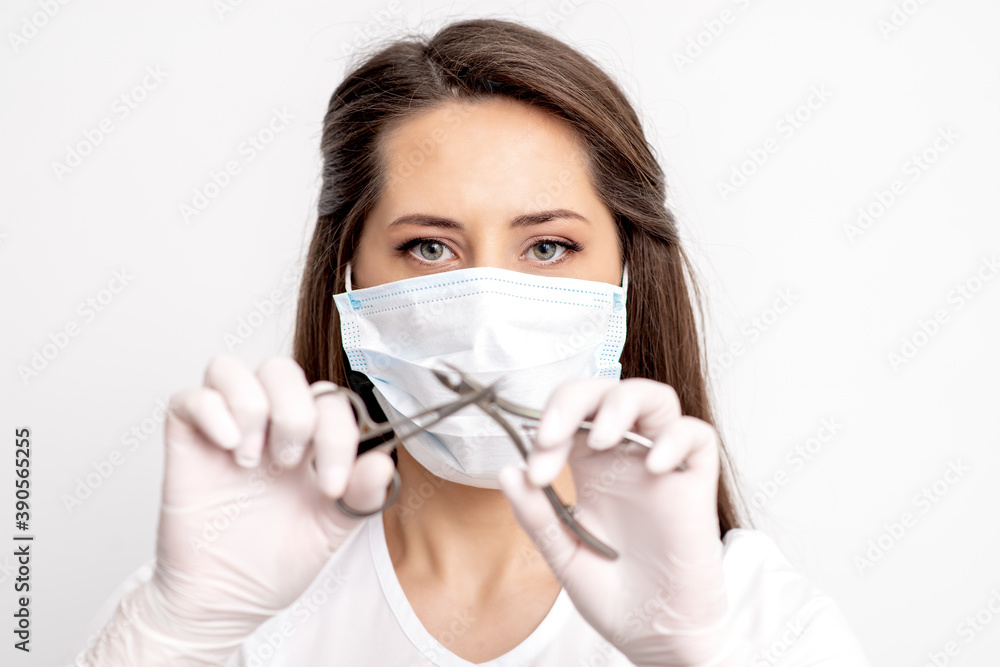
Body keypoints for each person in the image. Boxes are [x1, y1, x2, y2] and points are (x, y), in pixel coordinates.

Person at [73, 18, 870, 666]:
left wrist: (695, 657)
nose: (486, 312)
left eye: (548, 246)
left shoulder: (753, 615)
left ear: (629, 280)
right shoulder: (231, 592)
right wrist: (173, 632)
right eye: (429, 246)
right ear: (347, 279)